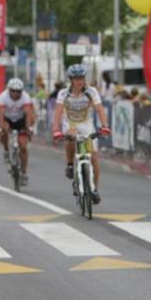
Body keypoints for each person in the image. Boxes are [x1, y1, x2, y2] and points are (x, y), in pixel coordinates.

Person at [51, 65, 110, 204]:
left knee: (93, 157)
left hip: (86, 124)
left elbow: (99, 109)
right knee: (70, 137)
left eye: (82, 78)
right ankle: (70, 164)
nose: (80, 81)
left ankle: (94, 189)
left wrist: (105, 126)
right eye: (76, 78)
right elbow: (58, 112)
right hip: (70, 123)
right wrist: (56, 130)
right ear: (71, 80)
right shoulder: (63, 93)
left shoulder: (91, 91)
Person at [0, 78, 36, 185]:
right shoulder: (3, 97)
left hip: (20, 120)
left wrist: (28, 128)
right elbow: (1, 116)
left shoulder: (25, 97)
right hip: (8, 119)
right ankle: (6, 150)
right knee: (3, 132)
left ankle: (24, 172)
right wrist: (2, 128)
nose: (15, 93)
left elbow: (28, 114)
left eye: (18, 91)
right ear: (9, 90)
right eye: (13, 91)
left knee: (23, 146)